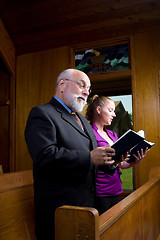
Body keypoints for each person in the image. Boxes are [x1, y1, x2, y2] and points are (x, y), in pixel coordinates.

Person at [25, 69, 117, 240]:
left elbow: (95, 155)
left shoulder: (82, 120)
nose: (86, 92)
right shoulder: (42, 113)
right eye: (82, 85)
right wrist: (89, 158)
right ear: (62, 84)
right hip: (60, 211)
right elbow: (45, 155)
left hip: (87, 207)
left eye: (88, 88)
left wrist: (115, 159)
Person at [86, 95, 148, 215]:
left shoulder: (112, 134)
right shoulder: (89, 133)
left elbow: (121, 164)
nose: (114, 114)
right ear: (98, 110)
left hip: (116, 188)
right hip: (100, 191)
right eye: (110, 110)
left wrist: (135, 160)